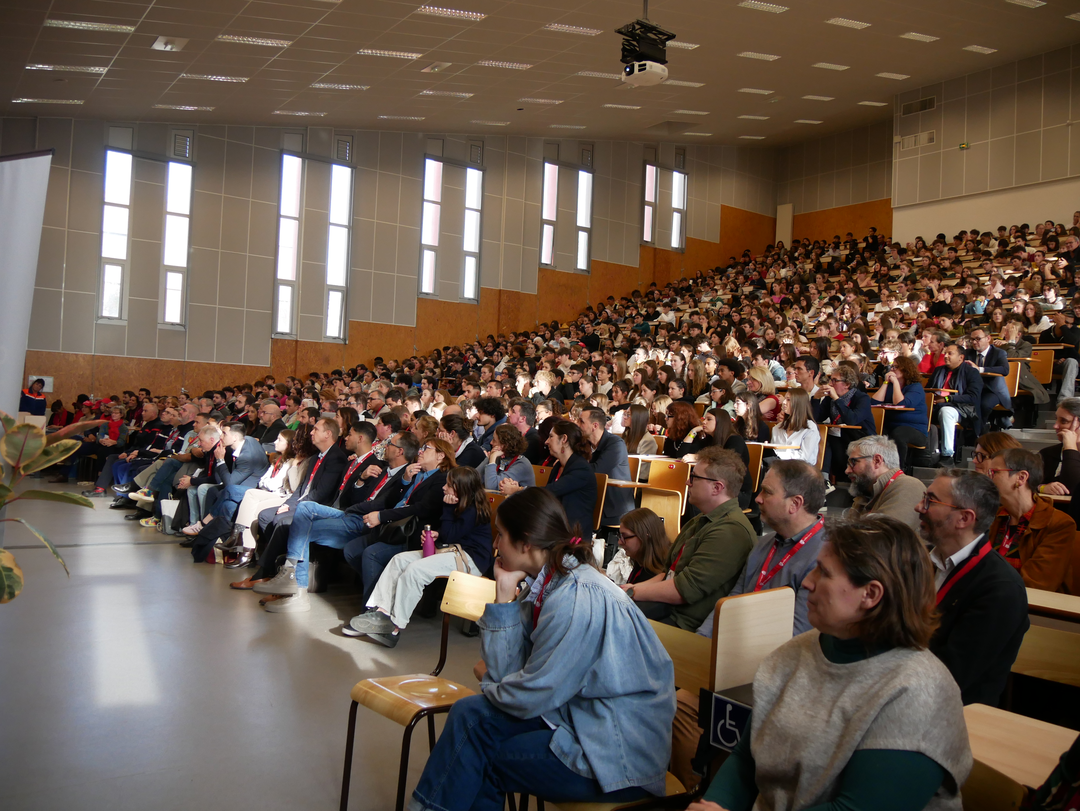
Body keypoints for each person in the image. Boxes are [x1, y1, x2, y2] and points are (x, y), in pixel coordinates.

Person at [407, 487, 676, 811]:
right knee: (471, 717)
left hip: (615, 749)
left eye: (500, 535)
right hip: (579, 716)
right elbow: (506, 673)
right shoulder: (548, 581)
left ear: (526, 543)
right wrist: (504, 595)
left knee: (483, 749)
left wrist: (495, 686)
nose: (494, 545)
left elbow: (529, 693)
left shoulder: (576, 595)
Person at [689, 515, 972, 811]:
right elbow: (747, 760)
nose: (808, 583)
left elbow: (858, 808)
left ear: (870, 594)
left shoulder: (918, 691)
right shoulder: (794, 653)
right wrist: (716, 805)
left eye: (823, 572)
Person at [671, 460, 827, 789]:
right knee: (669, 702)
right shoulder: (764, 544)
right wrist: (702, 649)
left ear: (795, 503)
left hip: (780, 677)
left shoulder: (822, 555)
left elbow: (797, 635)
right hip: (733, 666)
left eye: (767, 492)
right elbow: (732, 601)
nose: (756, 498)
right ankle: (693, 793)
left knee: (686, 713)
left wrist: (728, 672)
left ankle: (705, 794)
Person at [344, 466, 494, 647]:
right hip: (454, 550)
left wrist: (447, 509)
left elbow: (450, 534)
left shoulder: (471, 509)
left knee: (416, 570)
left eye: (449, 485)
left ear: (461, 488)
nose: (444, 488)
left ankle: (394, 626)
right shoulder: (462, 503)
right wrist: (437, 534)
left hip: (471, 559)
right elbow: (451, 534)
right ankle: (381, 612)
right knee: (398, 560)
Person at [915, 469, 1029, 706]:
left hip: (954, 714)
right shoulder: (921, 561)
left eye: (930, 500)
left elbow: (951, 677)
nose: (919, 507)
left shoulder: (1000, 589)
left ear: (964, 518)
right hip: (906, 690)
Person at [623, 446, 754, 630]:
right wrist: (629, 589)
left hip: (682, 622)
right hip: (666, 609)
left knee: (611, 622)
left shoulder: (730, 530)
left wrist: (632, 592)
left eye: (694, 477)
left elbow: (684, 590)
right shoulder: (701, 520)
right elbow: (667, 574)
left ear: (717, 487)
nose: (687, 482)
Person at [985, 446, 1076, 592]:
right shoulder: (994, 517)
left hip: (1031, 608)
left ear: (1021, 478)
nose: (988, 478)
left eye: (994, 472)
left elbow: (1036, 583)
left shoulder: (1059, 524)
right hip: (990, 599)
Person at [502, 419, 597, 536]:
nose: (546, 442)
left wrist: (518, 490)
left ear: (564, 440)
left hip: (572, 534)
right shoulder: (558, 465)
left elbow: (550, 491)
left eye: (551, 437)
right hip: (556, 525)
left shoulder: (581, 469)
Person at [844, 435, 926, 531]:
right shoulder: (868, 493)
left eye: (853, 462)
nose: (847, 470)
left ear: (877, 461)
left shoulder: (909, 486)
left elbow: (882, 540)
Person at [814, 364, 875, 482]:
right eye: (830, 379)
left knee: (832, 441)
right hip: (839, 436)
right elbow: (816, 418)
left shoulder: (862, 398)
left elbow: (852, 419)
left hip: (860, 435)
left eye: (835, 380)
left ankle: (830, 479)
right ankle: (824, 478)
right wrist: (816, 399)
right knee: (822, 438)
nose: (830, 384)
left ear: (847, 384)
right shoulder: (829, 398)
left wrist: (837, 399)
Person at [577, 406, 634, 530]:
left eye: (581, 421)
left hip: (613, 507)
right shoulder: (584, 444)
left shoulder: (616, 444)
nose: (577, 424)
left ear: (595, 426)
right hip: (592, 501)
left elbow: (596, 470)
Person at [926, 342, 984, 465]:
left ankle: (947, 455)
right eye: (945, 353)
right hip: (936, 406)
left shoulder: (971, 372)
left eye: (950, 353)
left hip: (962, 409)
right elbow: (928, 390)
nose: (946, 356)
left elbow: (973, 397)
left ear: (961, 357)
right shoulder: (938, 371)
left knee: (946, 411)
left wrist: (948, 399)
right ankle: (923, 453)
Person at [871, 354, 928, 471]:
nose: (892, 369)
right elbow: (874, 402)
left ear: (905, 369)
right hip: (891, 425)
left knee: (899, 434)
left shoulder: (915, 387)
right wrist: (886, 383)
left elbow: (900, 404)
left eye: (896, 367)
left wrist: (896, 383)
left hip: (914, 429)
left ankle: (898, 469)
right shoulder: (890, 386)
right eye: (892, 367)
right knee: (873, 430)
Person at [610, 507, 670, 586]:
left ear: (645, 537)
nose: (620, 542)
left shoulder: (656, 577)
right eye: (620, 536)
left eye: (625, 537)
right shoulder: (641, 563)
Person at [965, 326, 1012, 418]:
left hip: (992, 390)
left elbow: (1005, 370)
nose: (974, 342)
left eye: (978, 339)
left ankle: (980, 431)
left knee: (983, 405)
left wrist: (980, 369)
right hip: (972, 389)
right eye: (972, 339)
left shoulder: (999, 353)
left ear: (988, 338)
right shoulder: (967, 353)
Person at [477, 423, 535, 491]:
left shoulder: (521, 464)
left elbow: (492, 486)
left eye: (494, 440)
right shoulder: (499, 457)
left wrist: (492, 459)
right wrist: (489, 459)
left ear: (505, 445)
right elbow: (475, 477)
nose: (491, 443)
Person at [770, 388, 819, 465]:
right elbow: (772, 450)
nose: (784, 402)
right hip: (779, 468)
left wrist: (779, 456)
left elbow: (804, 457)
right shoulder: (777, 428)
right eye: (785, 399)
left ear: (799, 403)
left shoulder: (810, 427)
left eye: (788, 400)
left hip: (802, 469)